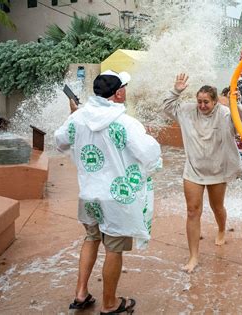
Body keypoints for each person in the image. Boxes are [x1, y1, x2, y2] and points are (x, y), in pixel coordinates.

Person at [55, 70, 161, 314]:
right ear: (119, 92)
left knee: (91, 239)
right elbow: (149, 155)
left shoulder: (78, 118)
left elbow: (60, 142)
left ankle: (81, 294)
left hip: (89, 195)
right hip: (116, 199)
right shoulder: (126, 122)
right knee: (113, 248)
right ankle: (111, 304)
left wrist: (73, 118)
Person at [162, 73, 242, 273]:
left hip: (217, 169)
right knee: (192, 211)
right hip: (194, 169)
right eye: (199, 101)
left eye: (206, 102)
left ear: (215, 101)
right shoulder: (188, 111)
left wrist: (237, 104)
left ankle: (221, 229)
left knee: (217, 207)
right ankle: (193, 257)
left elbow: (240, 124)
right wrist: (176, 90)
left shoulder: (225, 113)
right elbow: (167, 107)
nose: (202, 105)